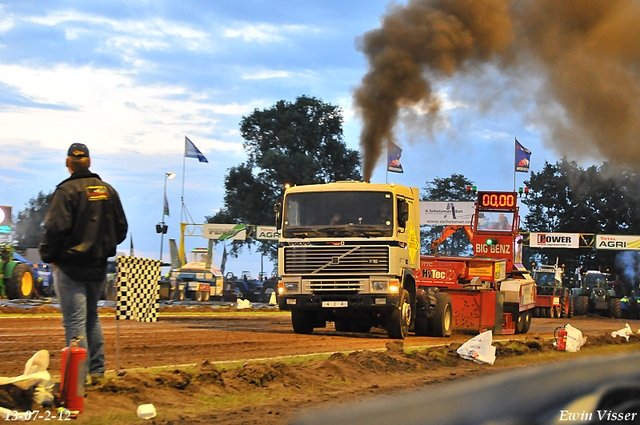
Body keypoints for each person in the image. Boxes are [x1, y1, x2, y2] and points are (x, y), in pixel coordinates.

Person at [39, 143, 128, 385]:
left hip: (70, 268)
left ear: (68, 163)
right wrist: (101, 246)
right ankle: (97, 373)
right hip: (98, 266)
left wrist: (48, 256)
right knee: (92, 318)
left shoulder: (65, 191)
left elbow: (55, 228)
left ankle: (77, 382)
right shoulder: (107, 191)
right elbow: (121, 229)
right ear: (89, 162)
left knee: (75, 322)